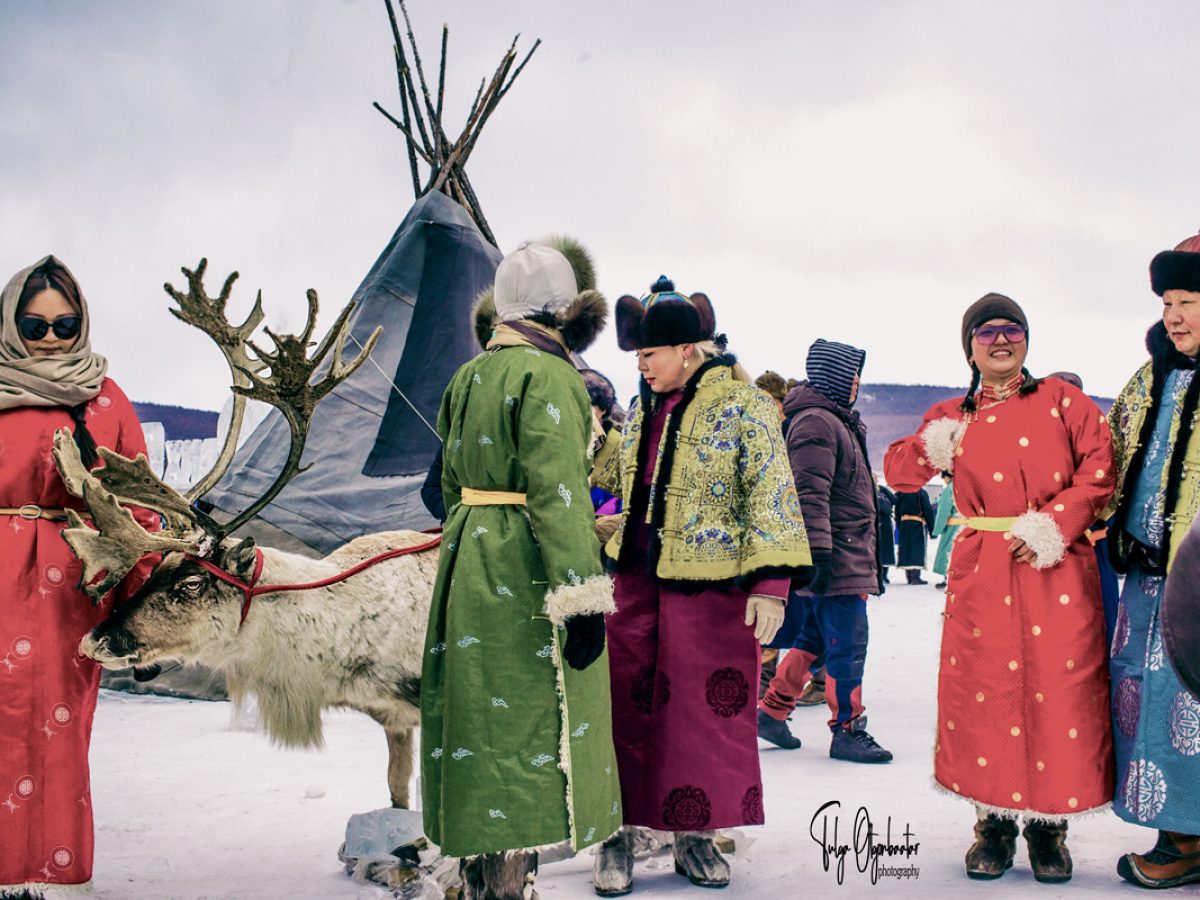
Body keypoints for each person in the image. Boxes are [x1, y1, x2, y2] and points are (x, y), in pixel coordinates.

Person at [885, 292, 1115, 884]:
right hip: (983, 572)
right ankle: (993, 826)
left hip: (1057, 569)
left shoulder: (1066, 402)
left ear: (1028, 340)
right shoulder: (951, 414)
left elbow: (1099, 472)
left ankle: (1047, 830)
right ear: (970, 347)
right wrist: (934, 445)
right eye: (986, 333)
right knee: (985, 692)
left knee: (1058, 691)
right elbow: (897, 472)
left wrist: (1053, 525)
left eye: (1012, 330)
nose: (1001, 340)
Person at [591, 277, 811, 894]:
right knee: (620, 711)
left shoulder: (748, 409)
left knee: (700, 720)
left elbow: (770, 494)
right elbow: (617, 477)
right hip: (633, 585)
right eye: (637, 356)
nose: (642, 365)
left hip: (711, 591)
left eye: (649, 354)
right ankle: (619, 835)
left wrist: (771, 584)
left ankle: (696, 834)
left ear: (688, 349)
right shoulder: (639, 409)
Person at [420, 239, 621, 899]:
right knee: (527, 724)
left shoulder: (467, 376)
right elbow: (560, 496)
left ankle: (480, 875)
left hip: (466, 558)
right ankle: (508, 884)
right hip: (525, 565)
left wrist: (469, 538)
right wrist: (584, 598)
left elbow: (443, 488)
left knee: (478, 719)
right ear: (566, 313)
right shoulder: (552, 377)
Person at [0, 256, 157, 899]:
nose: (52, 338)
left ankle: (57, 874)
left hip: (73, 580)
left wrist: (140, 606)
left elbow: (136, 509)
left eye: (65, 324)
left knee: (63, 724)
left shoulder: (105, 399)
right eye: (34, 327)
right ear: (11, 325)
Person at [1107, 232, 1200, 889]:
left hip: (1197, 579)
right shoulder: (1149, 378)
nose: (1174, 314)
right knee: (1144, 694)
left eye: (1189, 299)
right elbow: (1106, 454)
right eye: (1168, 300)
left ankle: (1187, 838)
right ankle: (1179, 830)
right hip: (1145, 576)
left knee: (1188, 701)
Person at [757, 340, 893, 763]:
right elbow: (807, 493)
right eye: (853, 374)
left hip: (842, 553)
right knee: (848, 643)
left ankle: (772, 712)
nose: (857, 383)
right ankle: (848, 728)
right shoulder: (818, 422)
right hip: (836, 557)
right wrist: (817, 554)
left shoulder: (833, 420)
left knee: (813, 638)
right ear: (836, 376)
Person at [894, 487, 934, 583]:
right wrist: (932, 530)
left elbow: (897, 511)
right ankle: (915, 577)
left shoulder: (901, 492)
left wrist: (899, 525)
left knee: (906, 549)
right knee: (917, 549)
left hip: (904, 524)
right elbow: (928, 511)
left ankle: (909, 577)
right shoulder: (921, 492)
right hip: (917, 524)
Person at [931, 474, 961, 590]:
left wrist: (938, 529)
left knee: (948, 551)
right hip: (968, 525)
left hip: (953, 526)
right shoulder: (966, 486)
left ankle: (948, 578)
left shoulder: (949, 489)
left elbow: (944, 511)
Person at [877, 479, 897, 584]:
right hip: (878, 523)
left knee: (886, 551)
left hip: (885, 524)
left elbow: (894, 500)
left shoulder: (881, 491)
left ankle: (884, 575)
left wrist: (884, 489)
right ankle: (880, 576)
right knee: (879, 551)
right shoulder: (869, 490)